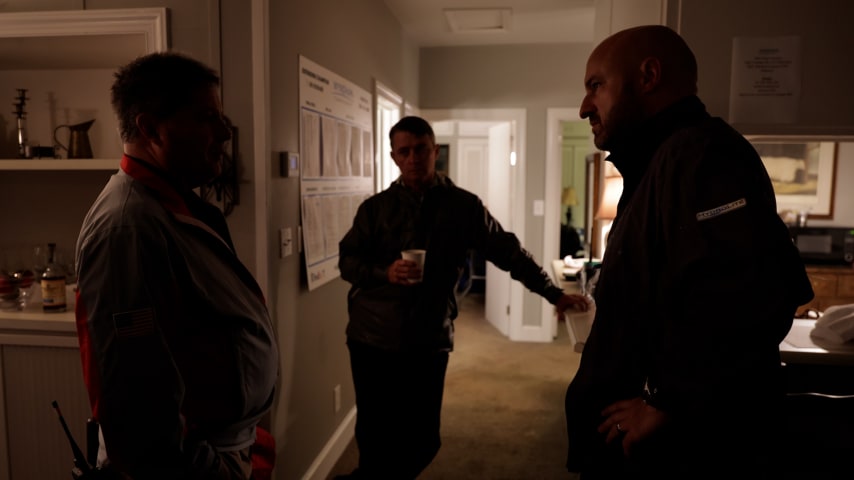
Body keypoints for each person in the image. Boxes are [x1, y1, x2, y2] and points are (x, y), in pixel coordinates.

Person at [563, 25, 814, 478]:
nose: (584, 107)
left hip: (679, 452)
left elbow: (754, 297)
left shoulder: (703, 155)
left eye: (595, 85)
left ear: (649, 75)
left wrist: (665, 402)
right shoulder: (657, 164)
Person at [337, 115, 589, 479]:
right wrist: (385, 272)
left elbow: (509, 252)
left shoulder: (462, 206)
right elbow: (347, 262)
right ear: (393, 157)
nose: (413, 158)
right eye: (404, 152)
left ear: (434, 151)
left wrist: (553, 293)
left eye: (420, 150)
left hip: (429, 337)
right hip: (372, 337)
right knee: (376, 437)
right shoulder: (374, 209)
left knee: (424, 441)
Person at [74, 52, 279, 479]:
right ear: (150, 128)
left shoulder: (180, 207)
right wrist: (209, 469)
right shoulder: (127, 229)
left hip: (230, 447)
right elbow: (132, 399)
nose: (224, 132)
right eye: (206, 118)